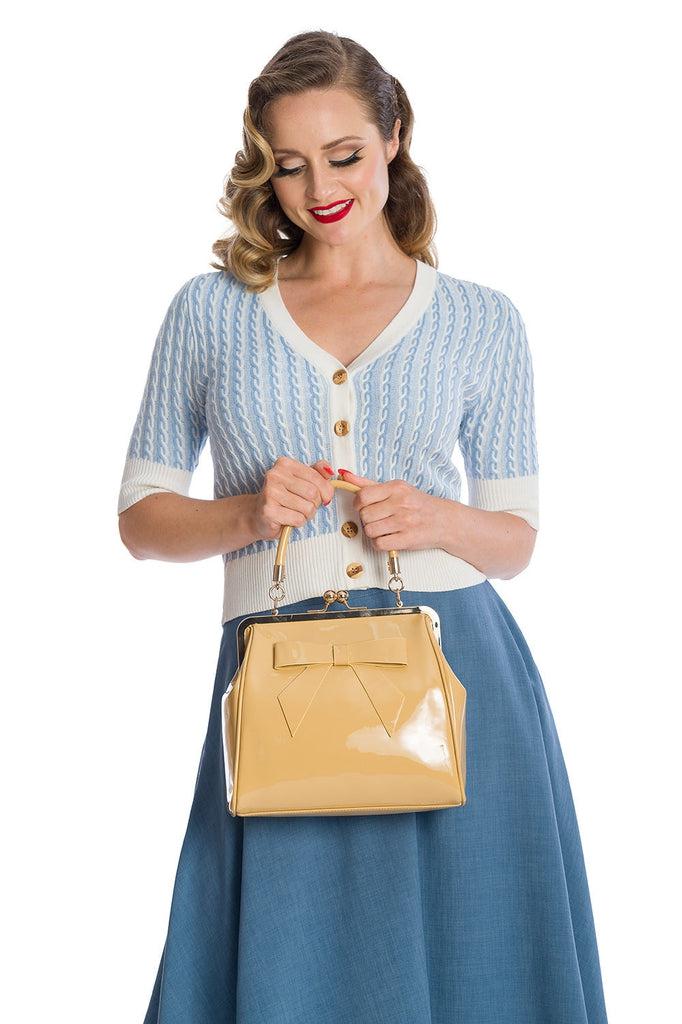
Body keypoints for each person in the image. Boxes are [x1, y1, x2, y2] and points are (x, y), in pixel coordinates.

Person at [116, 29, 610, 1024]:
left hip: (457, 673)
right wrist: (247, 512)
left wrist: (434, 517)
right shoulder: (211, 312)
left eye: (343, 155)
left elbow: (516, 540)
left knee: (476, 959)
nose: (320, 189)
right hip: (280, 685)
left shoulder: (482, 319)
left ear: (393, 138)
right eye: (289, 164)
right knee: (290, 964)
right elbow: (140, 519)